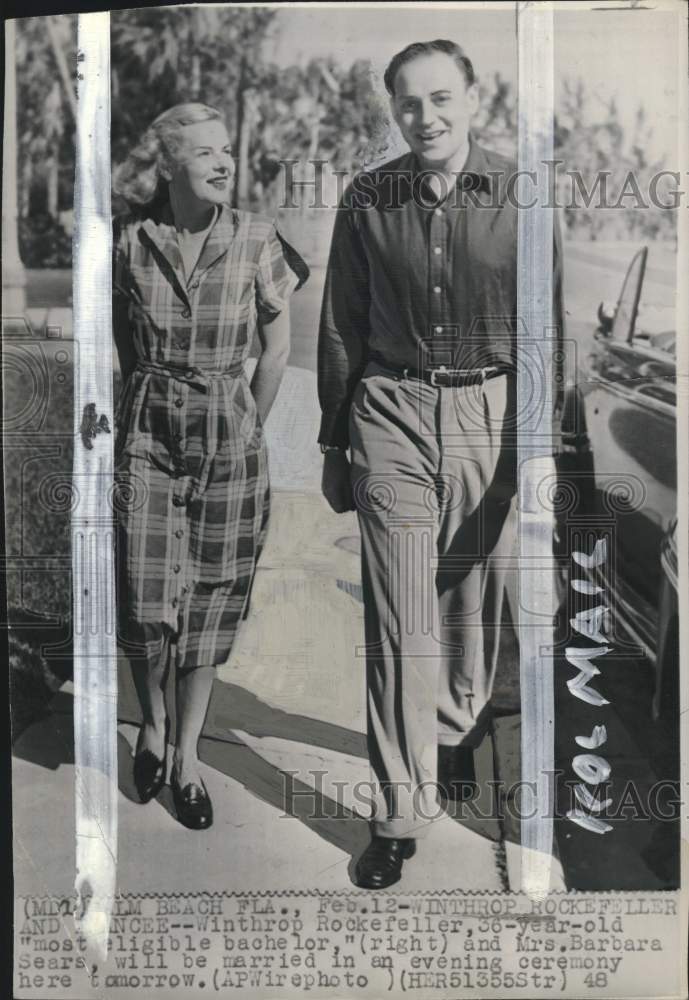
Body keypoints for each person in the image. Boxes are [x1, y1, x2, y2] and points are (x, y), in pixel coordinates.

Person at [317, 40, 564, 887]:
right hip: (388, 407)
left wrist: (535, 458)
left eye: (440, 98)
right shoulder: (367, 197)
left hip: (489, 413)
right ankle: (399, 811)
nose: (425, 117)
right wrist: (331, 441)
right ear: (394, 113)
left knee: (468, 605)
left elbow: (546, 334)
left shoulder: (522, 198)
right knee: (398, 622)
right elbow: (343, 323)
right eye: (408, 103)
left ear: (473, 98)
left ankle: (454, 727)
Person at [112, 103, 308, 830]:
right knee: (142, 593)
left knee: (213, 601)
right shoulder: (129, 242)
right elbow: (125, 351)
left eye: (226, 148)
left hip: (230, 436)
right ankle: (152, 725)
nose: (224, 161)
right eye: (204, 153)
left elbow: (278, 348)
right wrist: (144, 406)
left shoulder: (258, 237)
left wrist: (246, 425)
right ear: (167, 166)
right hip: (147, 435)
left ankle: (187, 754)